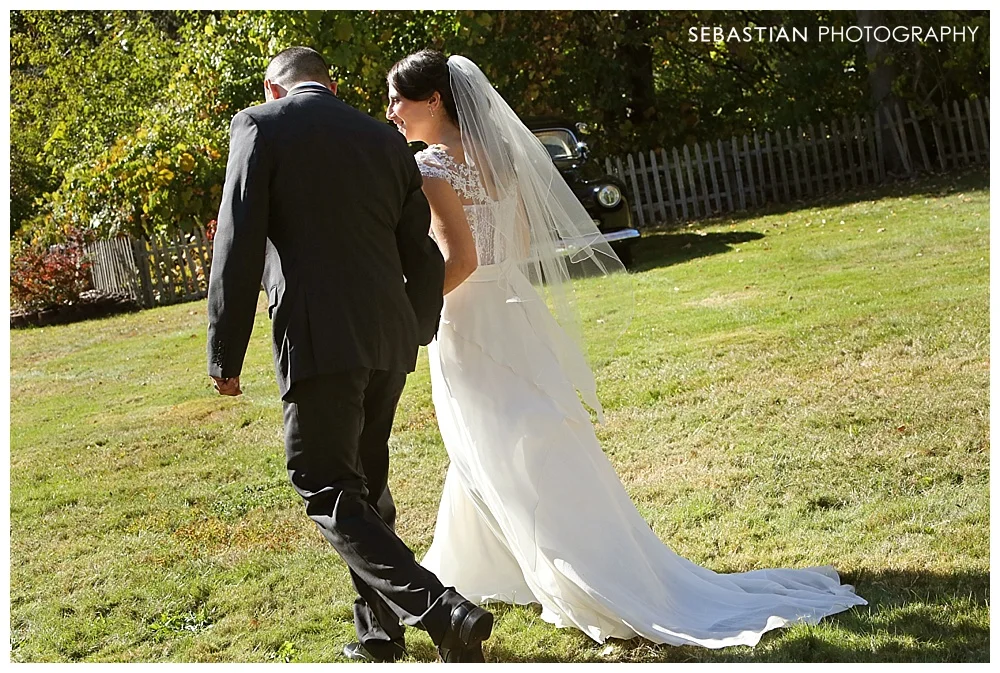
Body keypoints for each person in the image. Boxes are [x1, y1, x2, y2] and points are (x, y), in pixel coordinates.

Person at [385, 49, 867, 648]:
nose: (391, 112)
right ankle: (474, 565)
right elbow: (523, 239)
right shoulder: (503, 156)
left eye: (399, 100)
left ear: (433, 101)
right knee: (508, 436)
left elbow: (463, 260)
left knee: (494, 439)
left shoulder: (432, 168)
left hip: (469, 319)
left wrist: (407, 308)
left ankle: (580, 568)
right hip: (514, 308)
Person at [206, 46, 493, 663]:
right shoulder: (382, 136)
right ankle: (379, 635)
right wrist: (415, 325)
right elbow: (419, 247)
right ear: (328, 84)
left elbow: (237, 242)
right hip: (388, 336)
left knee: (323, 482)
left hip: (319, 338)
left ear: (272, 88)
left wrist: (224, 353)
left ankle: (441, 611)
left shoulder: (257, 125)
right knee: (364, 486)